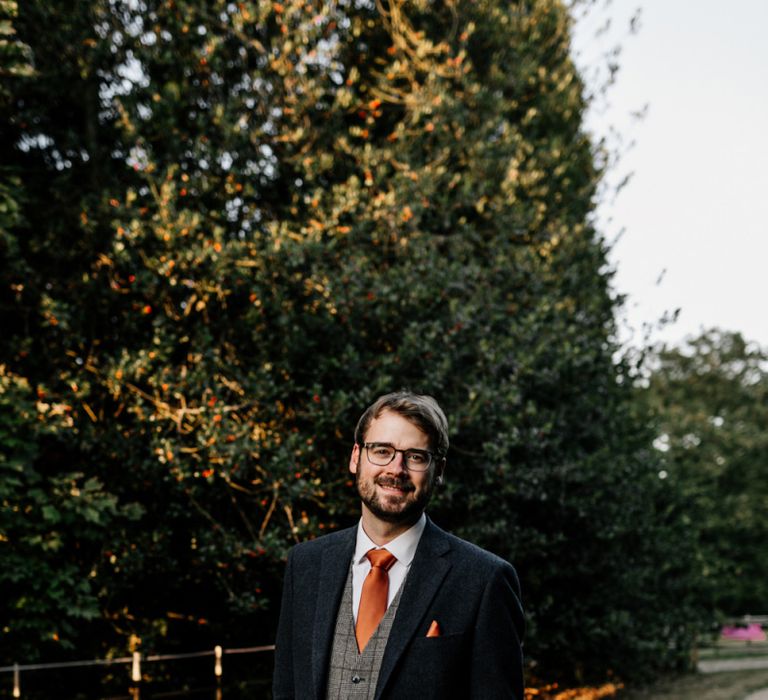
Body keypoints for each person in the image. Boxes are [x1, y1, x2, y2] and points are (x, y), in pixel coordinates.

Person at [273, 391, 524, 699]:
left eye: (416, 456)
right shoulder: (305, 564)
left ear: (439, 471)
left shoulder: (484, 579)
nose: (396, 469)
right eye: (381, 450)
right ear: (356, 457)